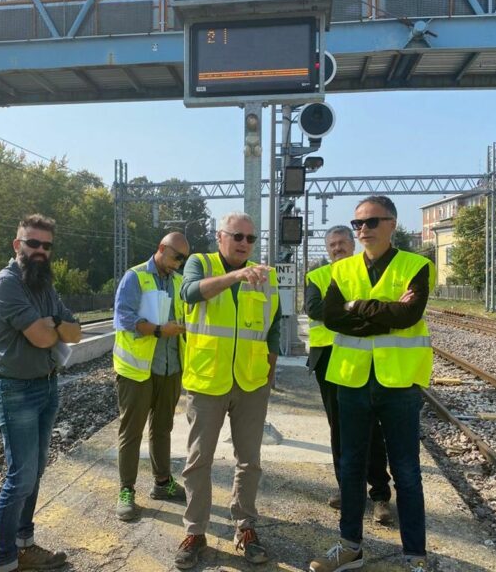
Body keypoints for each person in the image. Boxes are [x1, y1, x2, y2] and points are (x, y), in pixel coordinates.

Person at [310, 196, 435, 572]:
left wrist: (357, 307)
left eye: (371, 222)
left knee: (407, 471)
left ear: (392, 224)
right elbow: (332, 317)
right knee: (350, 467)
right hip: (351, 379)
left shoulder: (417, 266)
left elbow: (409, 314)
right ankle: (350, 547)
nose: (362, 230)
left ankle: (415, 555)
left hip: (398, 382)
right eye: (357, 224)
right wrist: (381, 312)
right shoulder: (342, 270)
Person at [174, 211, 281, 570]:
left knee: (249, 461)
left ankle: (245, 526)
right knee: (198, 460)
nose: (244, 244)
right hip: (208, 381)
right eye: (237, 237)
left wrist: (271, 367)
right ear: (220, 237)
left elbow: (273, 325)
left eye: (250, 239)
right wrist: (234, 275)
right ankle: (195, 531)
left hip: (251, 381)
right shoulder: (198, 262)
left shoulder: (266, 277)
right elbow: (189, 294)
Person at [0, 214, 82, 572]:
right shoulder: (5, 284)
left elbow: (75, 333)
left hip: (46, 386)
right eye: (33, 244)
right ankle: (5, 559)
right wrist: (52, 328)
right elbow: (43, 339)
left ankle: (25, 543)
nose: (40, 251)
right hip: (15, 391)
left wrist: (52, 324)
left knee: (36, 470)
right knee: (20, 476)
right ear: (18, 245)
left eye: (46, 246)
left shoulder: (44, 286)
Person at [304, 226, 393, 523]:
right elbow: (317, 310)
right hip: (329, 360)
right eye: (332, 244)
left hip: (366, 357)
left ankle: (380, 495)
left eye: (342, 242)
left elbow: (383, 310)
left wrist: (346, 310)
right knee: (339, 427)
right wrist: (358, 308)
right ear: (327, 248)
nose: (337, 248)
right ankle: (346, 488)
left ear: (352, 243)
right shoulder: (317, 276)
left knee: (373, 426)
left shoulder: (368, 273)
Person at [112, 232, 190, 521]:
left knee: (162, 428)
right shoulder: (135, 278)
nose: (178, 264)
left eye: (183, 259)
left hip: (170, 368)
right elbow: (124, 318)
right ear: (161, 249)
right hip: (137, 370)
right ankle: (126, 491)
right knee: (131, 432)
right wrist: (159, 329)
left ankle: (161, 483)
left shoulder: (179, 282)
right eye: (175, 257)